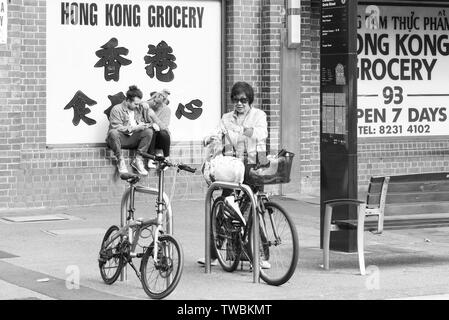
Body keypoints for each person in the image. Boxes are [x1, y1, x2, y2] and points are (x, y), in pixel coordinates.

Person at [197, 81, 271, 269]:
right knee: (223, 208)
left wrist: (242, 130)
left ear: (250, 101)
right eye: (236, 100)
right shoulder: (227, 117)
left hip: (253, 166)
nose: (239, 103)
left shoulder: (258, 115)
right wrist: (210, 137)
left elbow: (262, 133)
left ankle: (261, 255)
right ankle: (213, 255)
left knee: (253, 210)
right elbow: (219, 132)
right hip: (232, 168)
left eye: (243, 100)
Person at [106, 85, 157, 176]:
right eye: (135, 104)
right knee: (113, 132)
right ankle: (120, 160)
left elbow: (151, 108)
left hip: (133, 139)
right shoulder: (117, 109)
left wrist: (146, 121)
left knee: (149, 131)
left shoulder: (139, 107)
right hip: (121, 139)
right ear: (128, 100)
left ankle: (138, 160)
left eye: (139, 103)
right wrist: (135, 128)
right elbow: (116, 127)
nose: (137, 105)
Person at [142, 89, 172, 160]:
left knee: (164, 133)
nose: (154, 103)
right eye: (154, 101)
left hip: (160, 138)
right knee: (151, 131)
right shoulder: (151, 103)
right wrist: (143, 104)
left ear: (163, 103)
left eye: (157, 103)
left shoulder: (166, 110)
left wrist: (154, 117)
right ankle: (151, 159)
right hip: (149, 136)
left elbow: (164, 127)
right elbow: (137, 102)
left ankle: (167, 158)